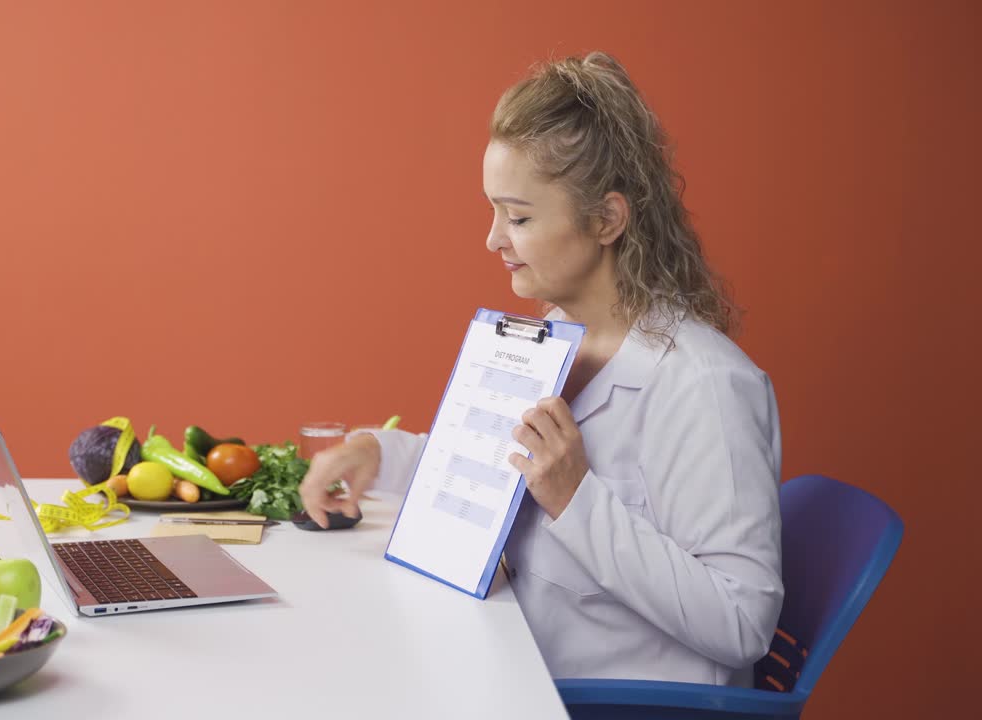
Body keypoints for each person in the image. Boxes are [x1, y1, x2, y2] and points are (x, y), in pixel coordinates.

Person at [300, 51, 783, 687]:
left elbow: (742, 622)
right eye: (494, 211)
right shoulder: (548, 336)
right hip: (512, 671)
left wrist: (575, 497)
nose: (494, 240)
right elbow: (498, 471)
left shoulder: (703, 384)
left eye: (520, 217)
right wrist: (376, 454)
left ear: (607, 219)